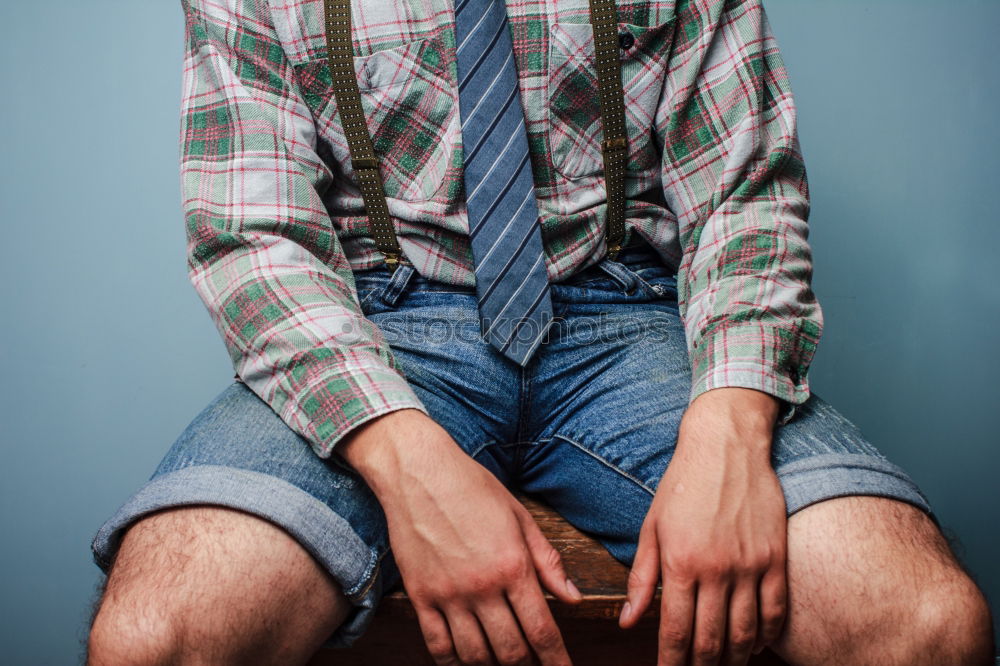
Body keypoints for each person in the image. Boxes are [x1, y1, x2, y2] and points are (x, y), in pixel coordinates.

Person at [86, 0, 994, 664]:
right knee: (151, 641)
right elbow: (254, 234)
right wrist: (408, 461)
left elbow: (742, 194)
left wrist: (730, 423)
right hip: (376, 332)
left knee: (929, 629)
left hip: (630, 319)